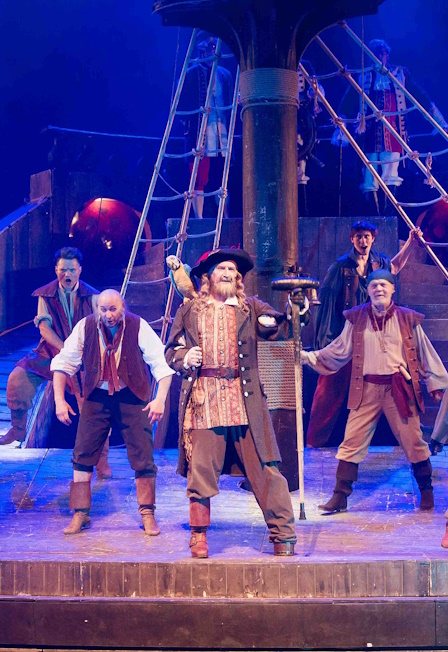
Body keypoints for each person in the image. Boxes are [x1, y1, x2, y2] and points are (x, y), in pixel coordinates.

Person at [165, 248, 297, 559]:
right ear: (207, 276)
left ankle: (283, 534)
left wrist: (294, 310)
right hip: (205, 400)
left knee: (266, 469)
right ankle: (198, 535)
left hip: (244, 400)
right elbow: (171, 351)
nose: (227, 273)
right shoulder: (190, 310)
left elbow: (276, 327)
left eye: (232, 270)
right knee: (201, 470)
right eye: (221, 269)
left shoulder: (250, 307)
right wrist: (184, 357)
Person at [301, 269, 448, 513]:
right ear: (368, 290)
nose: (379, 289)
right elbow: (340, 349)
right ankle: (340, 496)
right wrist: (310, 357)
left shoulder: (406, 318)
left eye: (383, 285)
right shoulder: (357, 318)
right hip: (366, 388)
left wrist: (435, 383)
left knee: (414, 442)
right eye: (374, 286)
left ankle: (426, 492)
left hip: (398, 389)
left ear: (392, 289)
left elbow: (424, 350)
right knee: (352, 441)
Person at [50, 289, 174, 535]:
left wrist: (159, 399)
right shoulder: (85, 327)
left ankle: (147, 512)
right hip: (97, 395)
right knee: (83, 452)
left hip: (131, 394)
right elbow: (63, 364)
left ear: (123, 308)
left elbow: (162, 365)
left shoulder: (138, 326)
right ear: (97, 309)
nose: (108, 315)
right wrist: (59, 401)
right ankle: (80, 513)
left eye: (113, 309)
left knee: (143, 453)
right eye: (103, 310)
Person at [306, 220, 421, 448]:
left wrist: (410, 242)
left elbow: (395, 268)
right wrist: (326, 341)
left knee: (390, 384)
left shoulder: (378, 262)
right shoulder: (340, 267)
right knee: (329, 388)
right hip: (347, 334)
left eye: (367, 236)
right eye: (358, 236)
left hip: (374, 335)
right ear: (352, 239)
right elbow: (327, 303)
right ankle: (313, 440)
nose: (363, 240)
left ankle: (405, 439)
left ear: (373, 239)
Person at [0, 248, 109, 472]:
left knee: (90, 403)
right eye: (62, 270)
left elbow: (100, 328)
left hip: (82, 355)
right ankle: (18, 428)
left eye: (71, 270)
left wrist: (82, 354)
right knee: (19, 377)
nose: (67, 275)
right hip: (51, 351)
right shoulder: (46, 294)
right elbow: (44, 328)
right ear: (56, 270)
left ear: (79, 270)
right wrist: (64, 349)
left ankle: (101, 456)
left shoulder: (92, 296)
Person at [358, 39, 448, 215]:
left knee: (391, 173)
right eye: (376, 53)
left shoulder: (399, 74)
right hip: (370, 133)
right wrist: (341, 119)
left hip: (394, 133)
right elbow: (351, 100)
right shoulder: (364, 76)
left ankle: (387, 218)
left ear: (387, 55)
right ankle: (374, 217)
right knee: (369, 175)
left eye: (382, 53)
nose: (379, 56)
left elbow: (420, 98)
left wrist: (440, 122)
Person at [179, 33, 233, 219]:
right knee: (199, 176)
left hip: (221, 131)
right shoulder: (190, 74)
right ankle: (199, 218)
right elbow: (181, 105)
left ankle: (224, 217)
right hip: (199, 132)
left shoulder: (225, 75)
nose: (212, 50)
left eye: (214, 47)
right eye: (209, 47)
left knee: (222, 176)